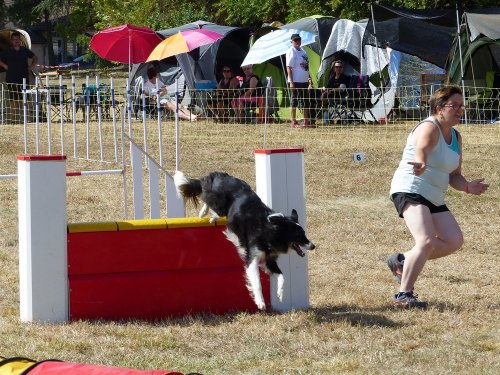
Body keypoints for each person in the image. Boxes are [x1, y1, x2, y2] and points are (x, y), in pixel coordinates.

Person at [387, 85, 489, 309]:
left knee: (454, 241)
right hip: (411, 188)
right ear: (439, 108)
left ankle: (402, 261)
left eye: (462, 106)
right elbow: (421, 151)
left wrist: (467, 187)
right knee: (425, 240)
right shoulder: (429, 127)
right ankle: (404, 295)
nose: (460, 110)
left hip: (433, 195)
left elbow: (454, 175)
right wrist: (421, 163)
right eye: (455, 105)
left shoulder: (456, 137)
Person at [0, 31, 38, 122]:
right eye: (14, 40)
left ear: (20, 40)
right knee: (13, 100)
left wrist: (31, 66)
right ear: (11, 41)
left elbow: (35, 57)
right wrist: (5, 66)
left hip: (24, 78)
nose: (16, 41)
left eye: (18, 39)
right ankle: (14, 121)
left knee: (24, 100)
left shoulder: (25, 50)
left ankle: (24, 120)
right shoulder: (7, 51)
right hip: (11, 78)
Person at [286, 33, 314, 128]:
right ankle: (293, 121)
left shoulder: (303, 51)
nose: (298, 41)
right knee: (294, 101)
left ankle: (306, 121)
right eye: (295, 40)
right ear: (292, 42)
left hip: (304, 80)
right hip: (295, 80)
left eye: (299, 39)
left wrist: (309, 78)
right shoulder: (291, 51)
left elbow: (306, 66)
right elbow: (289, 67)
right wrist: (291, 82)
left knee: (305, 101)